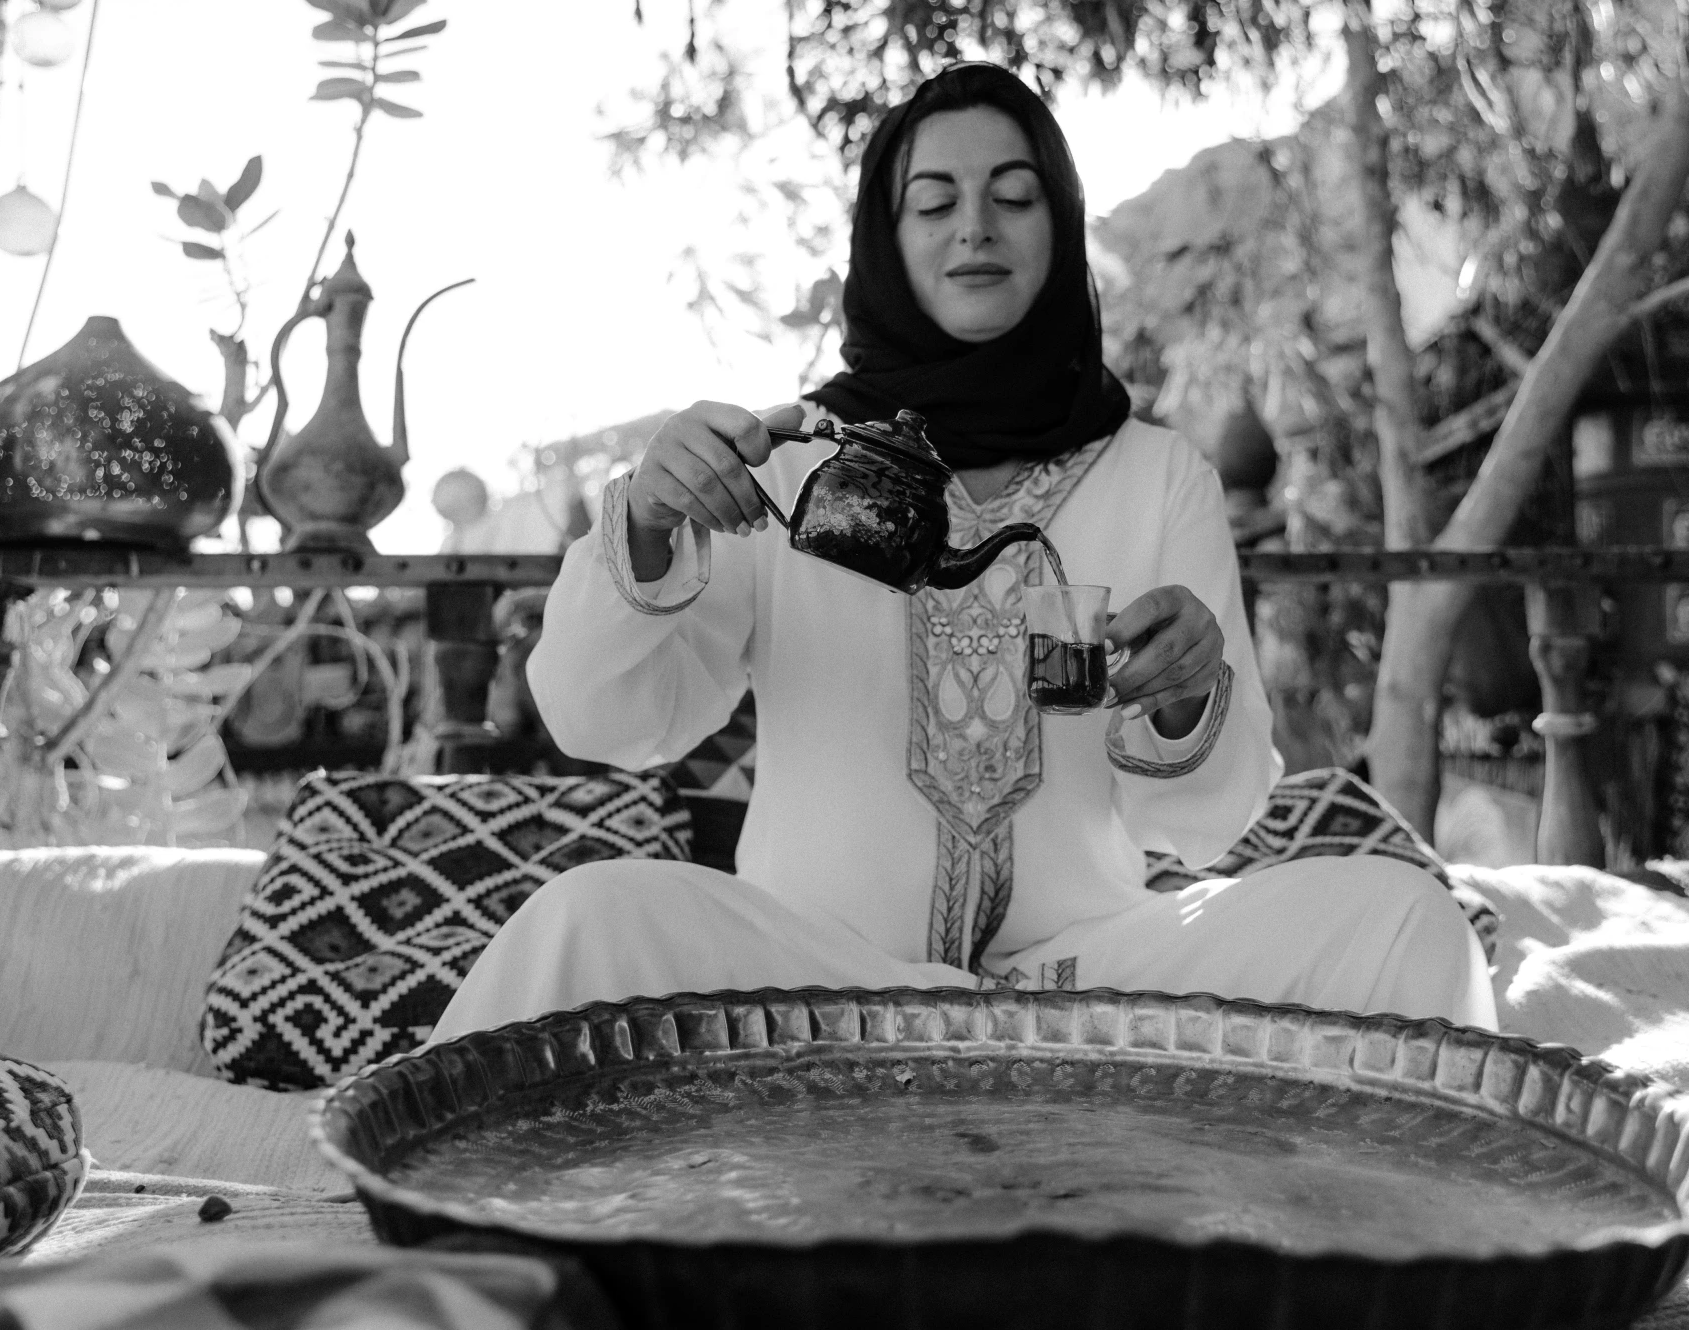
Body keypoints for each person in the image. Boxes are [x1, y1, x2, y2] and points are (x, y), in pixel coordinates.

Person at [434, 63, 1494, 1039]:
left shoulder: (1155, 476)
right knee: (589, 918)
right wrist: (649, 524)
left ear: (1061, 222)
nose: (974, 228)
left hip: (1088, 997)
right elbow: (603, 720)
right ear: (884, 241)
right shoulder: (791, 462)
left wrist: (1183, 696)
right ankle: (400, 1231)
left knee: (1407, 922)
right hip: (812, 989)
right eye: (934, 202)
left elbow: (1209, 825)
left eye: (1013, 196)